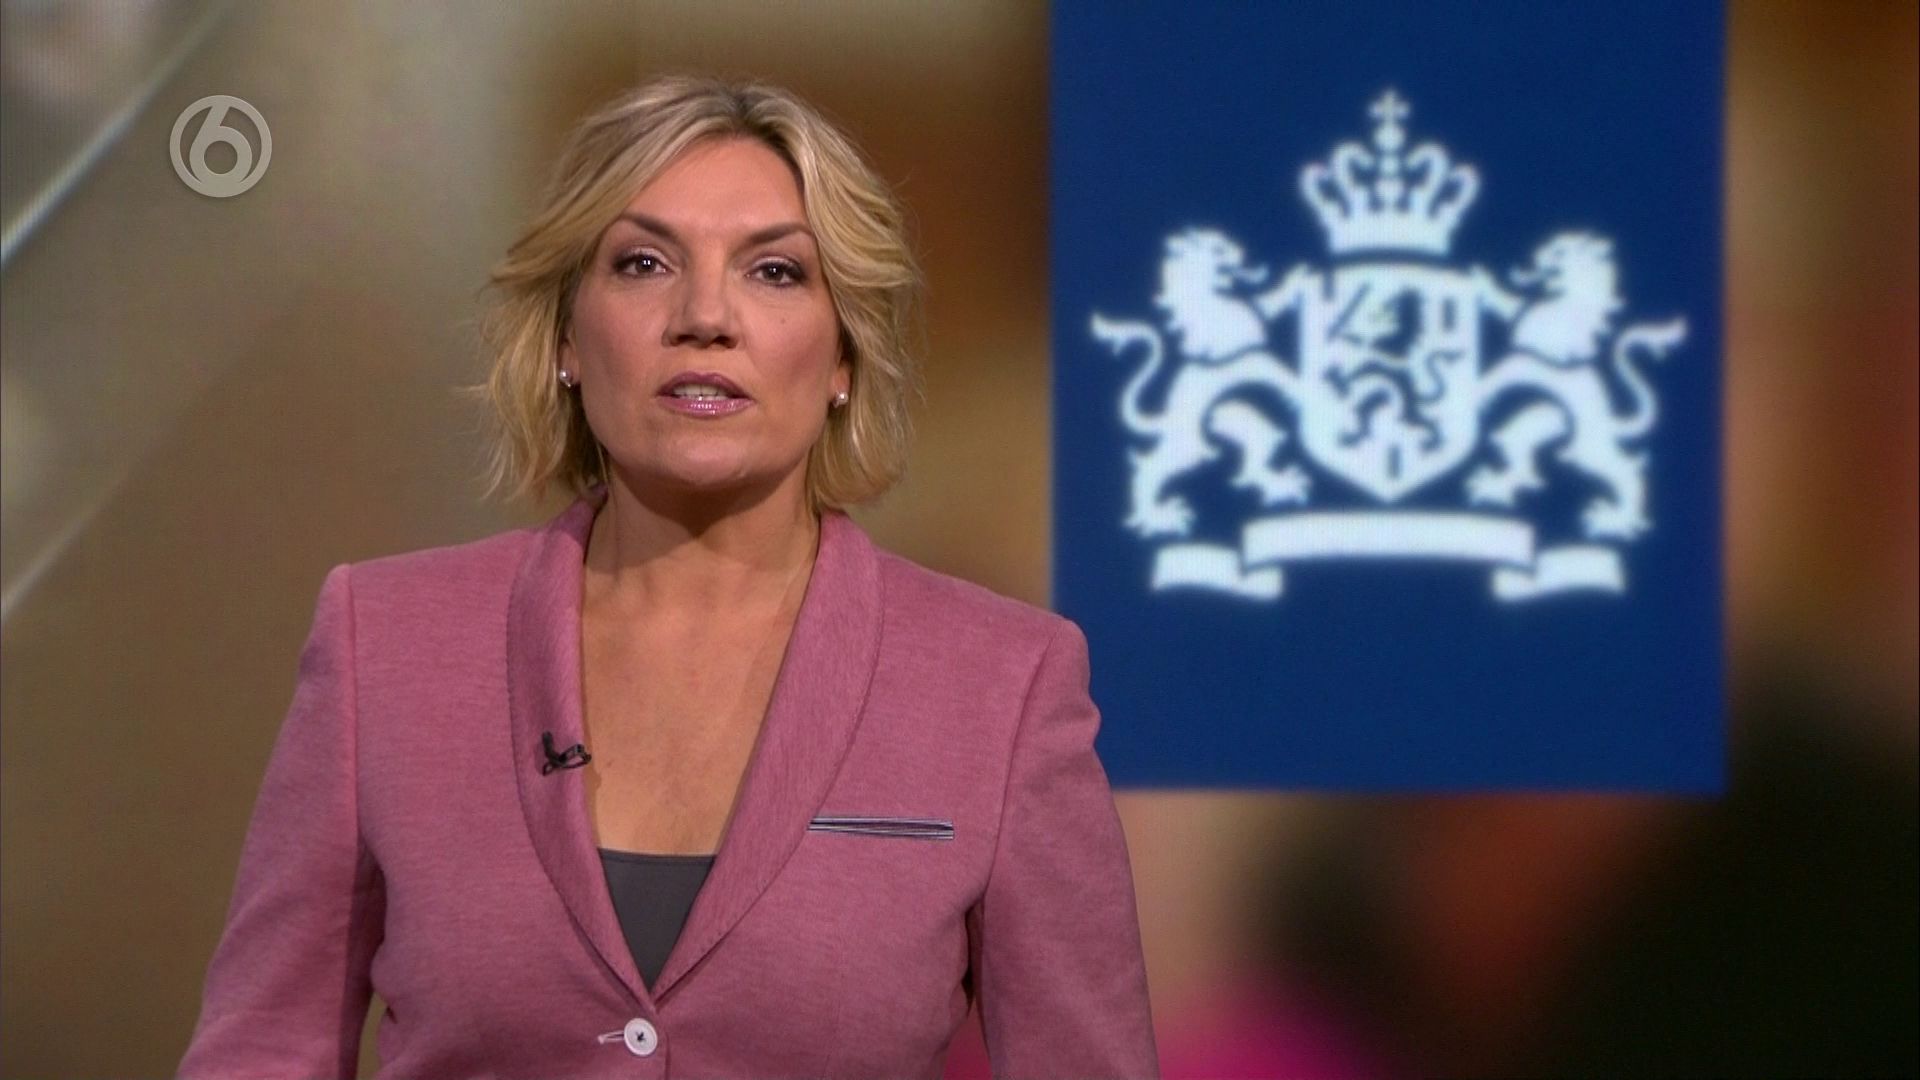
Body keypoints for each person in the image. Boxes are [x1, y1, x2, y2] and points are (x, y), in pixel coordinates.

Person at [176, 74, 1158, 1079]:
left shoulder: (1003, 683)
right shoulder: (383, 641)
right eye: (643, 264)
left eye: (775, 272)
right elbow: (263, 1049)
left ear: (843, 357)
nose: (705, 316)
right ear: (566, 337)